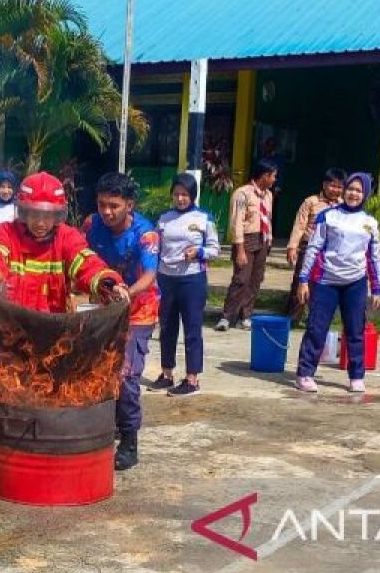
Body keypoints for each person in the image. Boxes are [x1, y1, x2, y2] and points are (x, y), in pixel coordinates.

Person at [83, 172, 160, 471]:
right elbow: (79, 255)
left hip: (138, 310)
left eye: (114, 205)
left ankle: (129, 440)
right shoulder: (92, 225)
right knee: (98, 369)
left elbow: (150, 275)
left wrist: (127, 291)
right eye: (102, 204)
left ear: (130, 205)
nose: (107, 212)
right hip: (104, 306)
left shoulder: (146, 234)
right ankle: (105, 424)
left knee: (126, 374)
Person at [0, 171, 128, 312]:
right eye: (35, 214)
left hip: (53, 331)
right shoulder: (7, 233)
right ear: (24, 212)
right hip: (12, 326)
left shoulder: (67, 238)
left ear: (58, 215)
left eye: (47, 216)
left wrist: (108, 283)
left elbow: (87, 263)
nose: (41, 223)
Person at [294, 172, 380, 394]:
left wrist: (376, 287)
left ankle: (356, 376)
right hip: (326, 281)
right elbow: (313, 248)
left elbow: (373, 257)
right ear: (344, 191)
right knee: (316, 327)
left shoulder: (370, 223)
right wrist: (303, 279)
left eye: (359, 190)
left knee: (355, 330)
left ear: (365, 194)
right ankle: (305, 374)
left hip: (356, 283)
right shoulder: (328, 216)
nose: (353, 193)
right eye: (350, 189)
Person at [148, 173, 220, 397]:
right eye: (177, 194)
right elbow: (155, 248)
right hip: (166, 279)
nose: (180, 199)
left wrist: (199, 252)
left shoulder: (203, 218)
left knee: (192, 330)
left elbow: (215, 250)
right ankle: (166, 374)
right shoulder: (164, 219)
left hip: (192, 280)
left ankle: (191, 379)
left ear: (193, 196)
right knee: (167, 328)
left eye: (185, 195)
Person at [218, 160, 277, 331]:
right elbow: (237, 221)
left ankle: (246, 315)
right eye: (273, 176)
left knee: (255, 279)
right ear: (264, 176)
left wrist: (269, 240)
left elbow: (268, 219)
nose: (274, 180)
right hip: (246, 239)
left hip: (262, 238)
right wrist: (240, 250)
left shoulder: (268, 195)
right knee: (241, 279)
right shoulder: (242, 194)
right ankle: (227, 316)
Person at [285, 168, 346, 321]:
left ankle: (316, 319)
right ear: (324, 184)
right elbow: (299, 225)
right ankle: (293, 317)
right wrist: (292, 246)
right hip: (309, 248)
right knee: (301, 281)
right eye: (332, 185)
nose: (335, 190)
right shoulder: (311, 202)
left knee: (322, 285)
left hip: (331, 251)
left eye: (339, 187)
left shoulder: (343, 205)